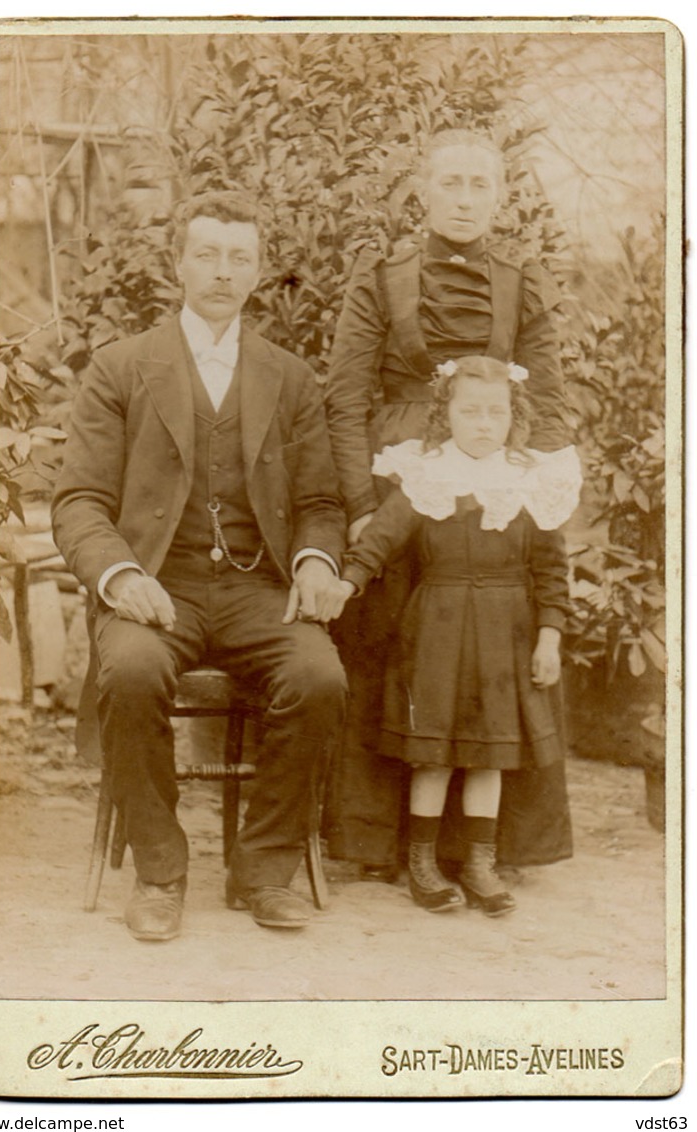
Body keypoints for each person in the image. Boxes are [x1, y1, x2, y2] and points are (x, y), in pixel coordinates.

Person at [52, 192, 349, 941]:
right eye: (208, 254)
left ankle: (265, 866)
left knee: (319, 677)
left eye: (240, 258)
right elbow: (79, 501)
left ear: (258, 271)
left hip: (257, 590)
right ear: (178, 262)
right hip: (157, 585)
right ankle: (160, 869)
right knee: (129, 672)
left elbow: (321, 501)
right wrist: (121, 577)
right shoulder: (120, 368)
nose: (223, 271)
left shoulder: (290, 378)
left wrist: (315, 562)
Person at [323, 127, 574, 880]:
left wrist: (543, 485)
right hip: (408, 475)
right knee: (401, 656)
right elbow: (343, 394)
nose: (464, 200)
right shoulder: (382, 276)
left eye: (479, 185)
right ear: (422, 192)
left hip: (498, 465)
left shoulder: (521, 280)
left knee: (496, 651)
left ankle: (485, 850)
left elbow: (550, 392)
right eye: (450, 184)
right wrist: (365, 501)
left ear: (500, 196)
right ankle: (388, 844)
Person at [329, 356, 581, 915]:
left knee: (489, 756)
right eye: (470, 412)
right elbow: (380, 540)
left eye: (496, 412)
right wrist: (345, 583)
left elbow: (551, 571)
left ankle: (480, 863)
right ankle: (421, 862)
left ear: (515, 416)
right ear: (446, 414)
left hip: (507, 634)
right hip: (436, 631)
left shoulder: (530, 481)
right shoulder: (427, 474)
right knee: (433, 753)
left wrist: (549, 636)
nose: (484, 424)